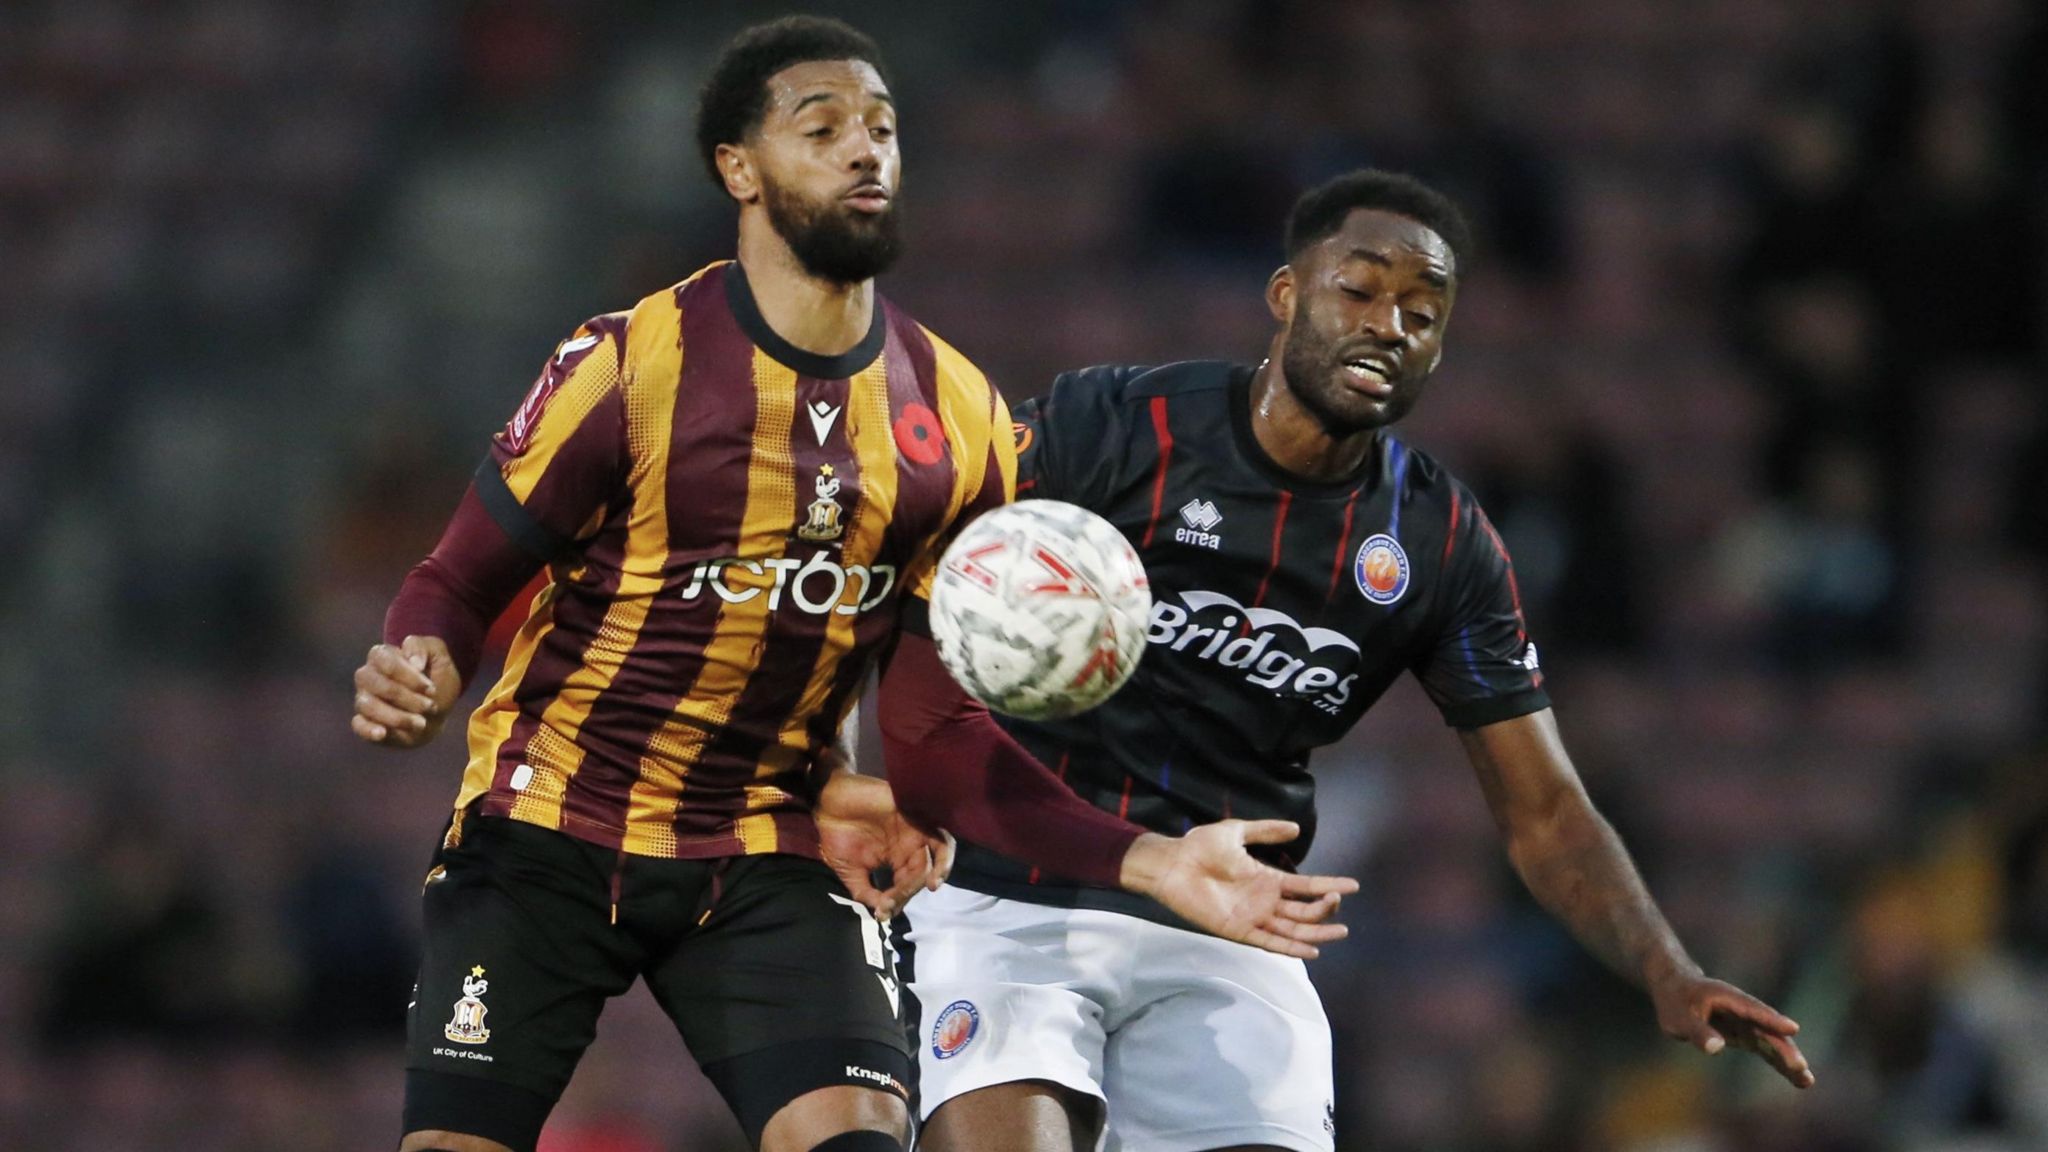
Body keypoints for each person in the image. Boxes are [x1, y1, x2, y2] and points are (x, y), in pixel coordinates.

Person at [348, 17, 1354, 1152]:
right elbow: (451, 581)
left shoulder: (962, 419)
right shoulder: (631, 363)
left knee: (862, 1139)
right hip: (547, 823)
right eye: (820, 127)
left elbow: (930, 737)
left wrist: (1153, 859)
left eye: (881, 128)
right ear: (738, 168)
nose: (864, 150)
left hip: (765, 846)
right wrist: (420, 664)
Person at [905, 170, 1816, 1152]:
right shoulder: (1118, 426)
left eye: (1423, 313)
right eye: (1361, 288)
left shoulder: (1438, 544)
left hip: (1230, 928)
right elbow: (916, 573)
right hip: (1010, 892)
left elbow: (1543, 811)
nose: (1390, 324)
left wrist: (1662, 967)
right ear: (1286, 296)